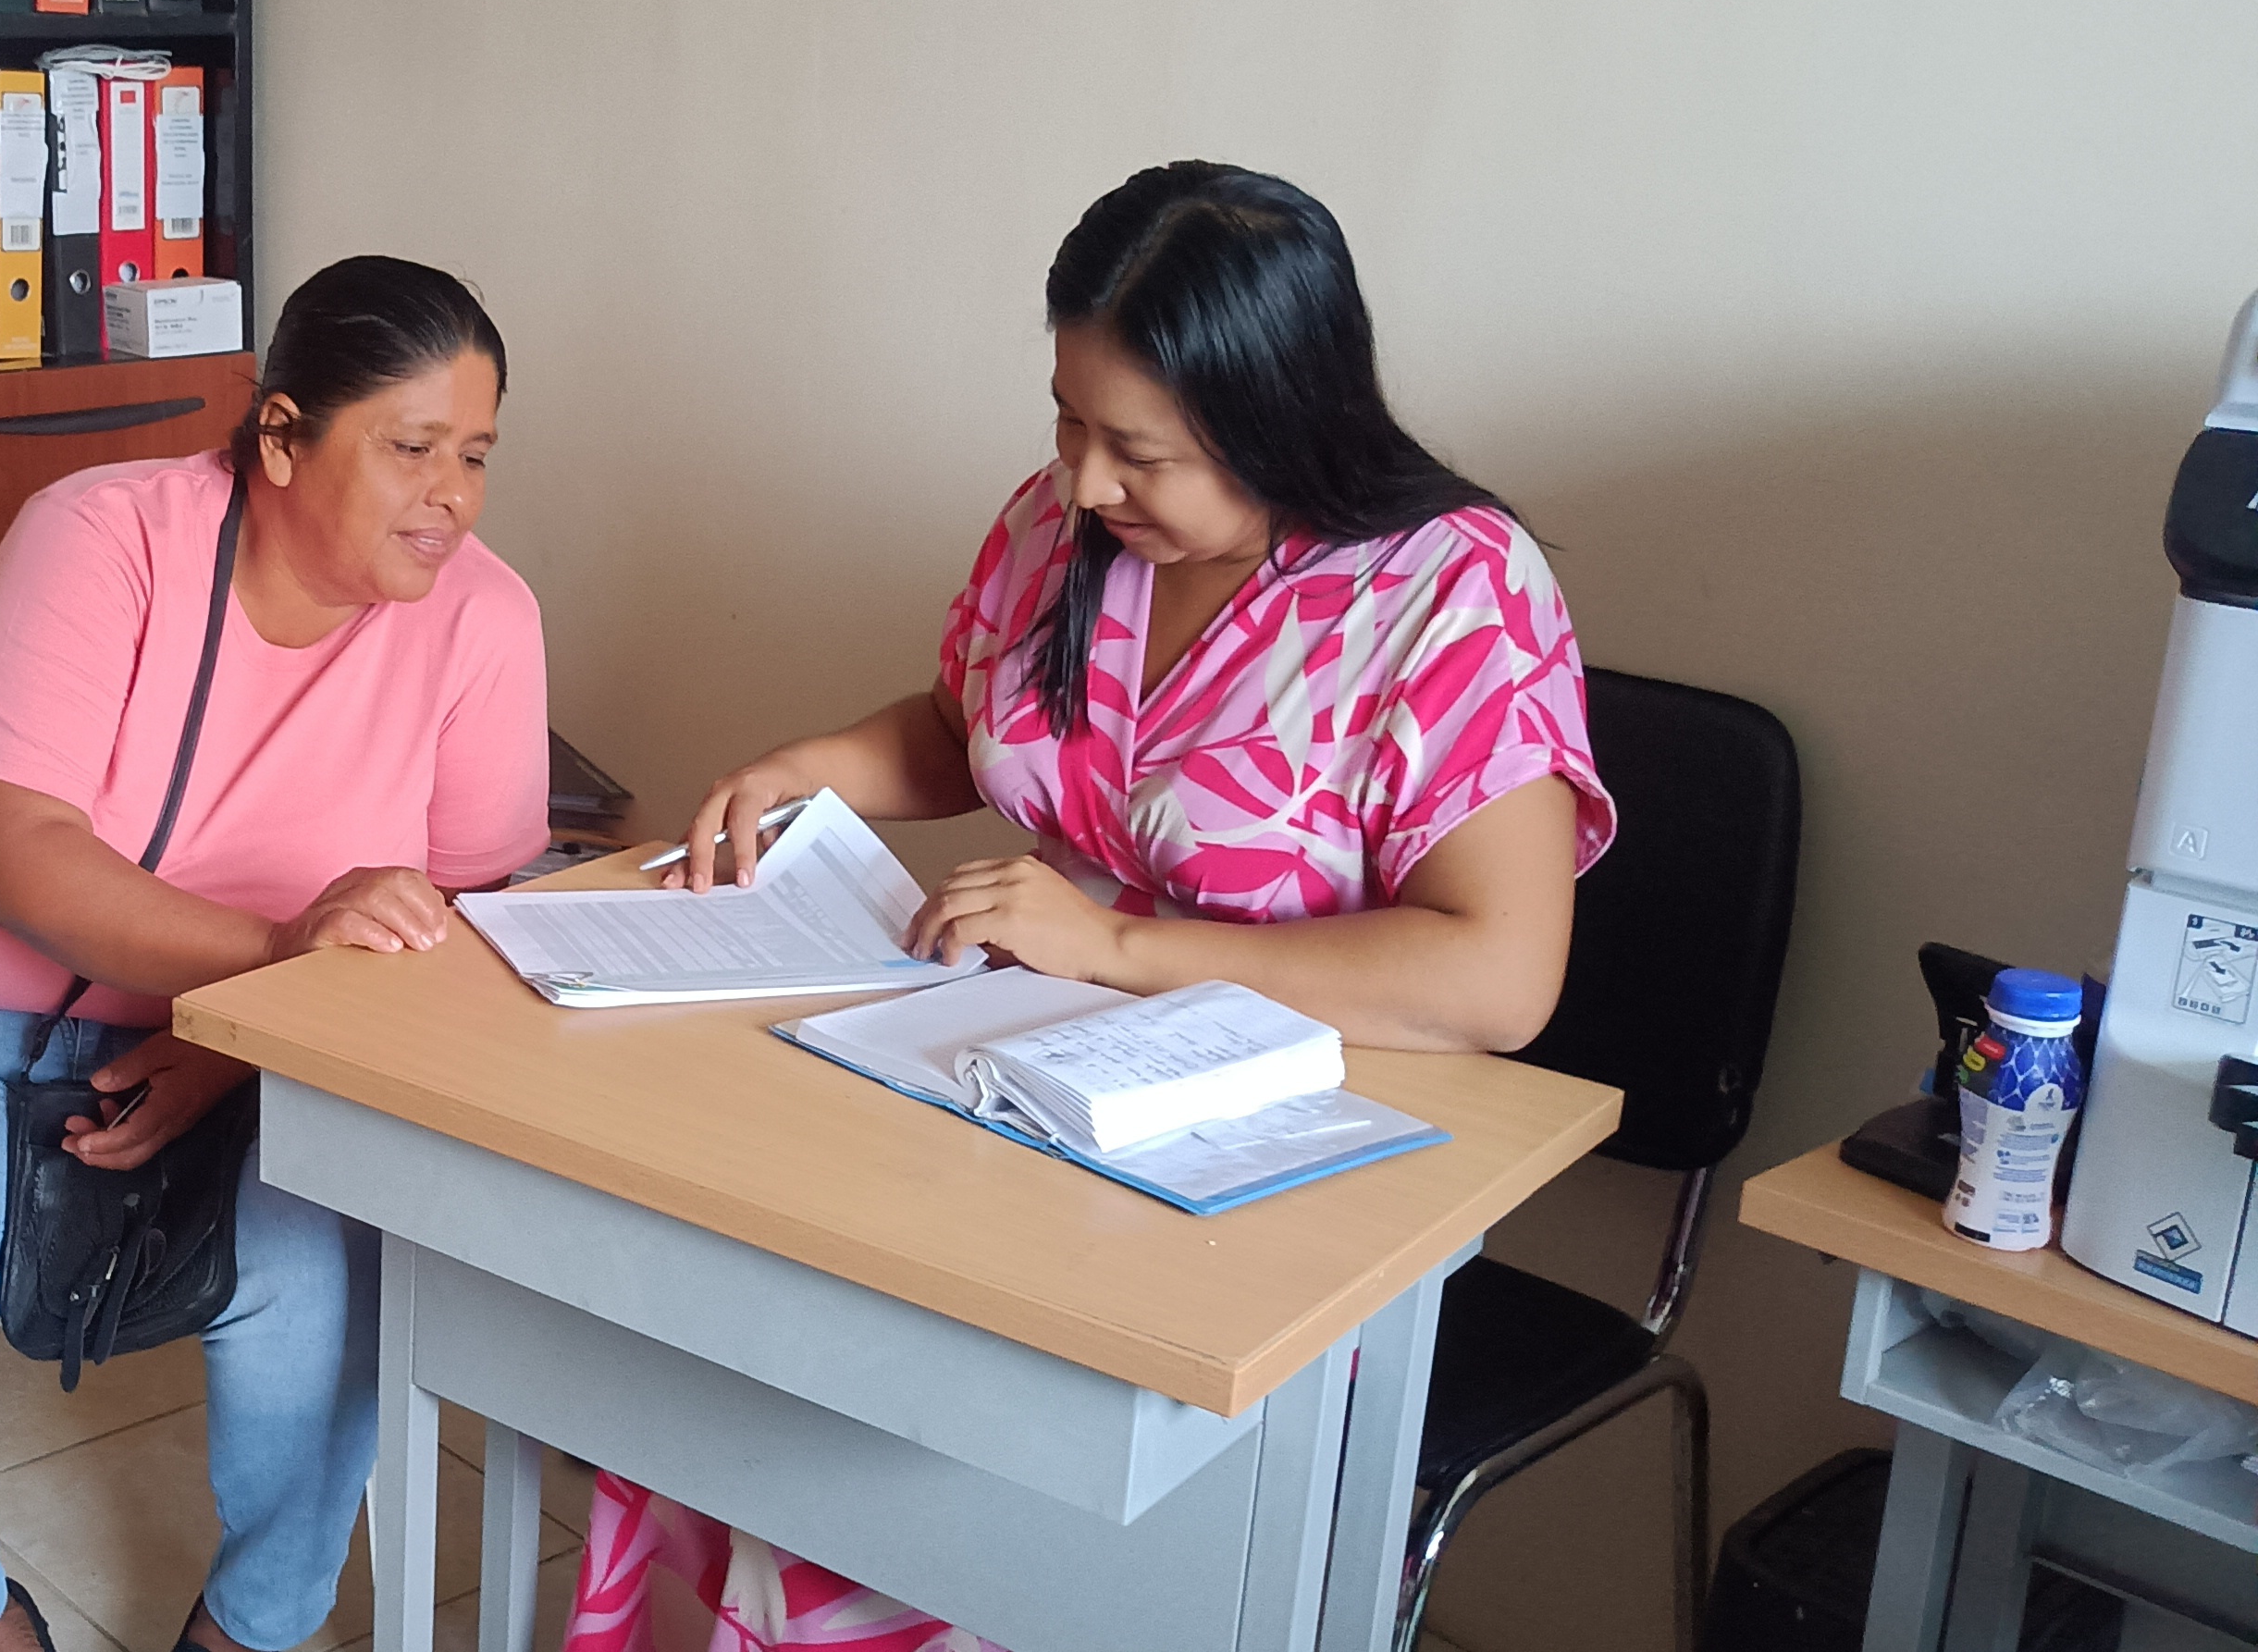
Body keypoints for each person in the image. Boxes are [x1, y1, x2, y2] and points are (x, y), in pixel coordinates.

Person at [566, 162, 1614, 1649]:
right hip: (1005, 1089)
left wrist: (1116, 946)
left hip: (1277, 1189)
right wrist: (813, 769)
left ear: (1280, 418)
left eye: (1139, 451)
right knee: (746, 1332)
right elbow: (970, 726)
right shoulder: (1069, 535)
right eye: (1068, 421)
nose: (1083, 483)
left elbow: (1497, 980)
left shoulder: (1450, 593)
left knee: (950, 1484)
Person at [0, 256, 547, 1652]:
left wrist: (233, 1044)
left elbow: (468, 913)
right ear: (282, 436)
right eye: (412, 449)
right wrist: (273, 956)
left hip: (280, 1057)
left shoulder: (484, 618)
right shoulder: (101, 538)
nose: (452, 498)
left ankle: (253, 1626)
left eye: (475, 456)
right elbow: (8, 855)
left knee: (331, 1300)